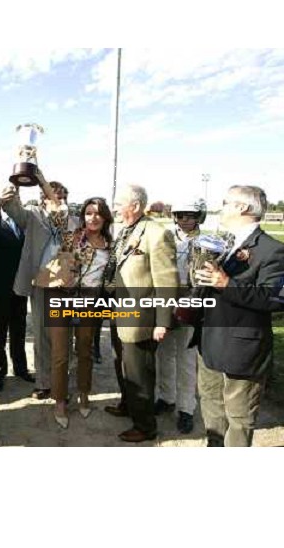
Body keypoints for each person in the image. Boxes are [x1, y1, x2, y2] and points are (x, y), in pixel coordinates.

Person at [195, 185, 284, 447]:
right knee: (211, 405)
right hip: (209, 340)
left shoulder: (273, 250)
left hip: (243, 348)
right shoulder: (224, 242)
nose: (221, 207)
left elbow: (276, 298)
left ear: (242, 208)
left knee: (239, 417)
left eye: (226, 202)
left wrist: (227, 284)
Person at [103, 184, 179, 442]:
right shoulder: (127, 230)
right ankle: (128, 405)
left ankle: (146, 427)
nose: (114, 208)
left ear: (134, 206)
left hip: (141, 319)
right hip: (119, 312)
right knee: (121, 365)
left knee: (139, 373)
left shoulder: (157, 234)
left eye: (118, 204)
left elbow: (167, 281)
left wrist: (162, 322)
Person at [44, 196, 113, 428]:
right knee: (60, 353)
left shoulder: (110, 246)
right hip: (61, 298)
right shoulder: (72, 237)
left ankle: (84, 393)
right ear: (83, 216)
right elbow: (55, 268)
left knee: (85, 349)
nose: (93, 218)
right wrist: (64, 276)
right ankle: (60, 401)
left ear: (105, 217)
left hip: (89, 303)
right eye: (88, 213)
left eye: (98, 213)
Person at [0, 171, 70, 400]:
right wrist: (14, 186)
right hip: (41, 282)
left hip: (67, 283)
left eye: (60, 195)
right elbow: (14, 211)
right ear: (42, 198)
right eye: (51, 195)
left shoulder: (72, 217)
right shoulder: (32, 215)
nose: (55, 198)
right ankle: (43, 382)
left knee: (63, 336)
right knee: (41, 334)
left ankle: (61, 382)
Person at [154, 198, 206, 434]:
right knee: (164, 353)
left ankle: (186, 408)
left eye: (190, 215)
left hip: (190, 299)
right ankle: (166, 397)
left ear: (199, 216)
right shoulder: (165, 236)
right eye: (180, 215)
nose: (184, 219)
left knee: (186, 358)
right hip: (166, 298)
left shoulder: (206, 241)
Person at [0, 196, 35, 391]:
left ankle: (20, 368)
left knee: (19, 331)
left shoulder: (25, 225)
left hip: (20, 288)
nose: (13, 203)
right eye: (8, 200)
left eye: (16, 199)